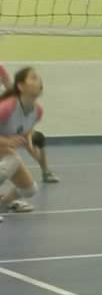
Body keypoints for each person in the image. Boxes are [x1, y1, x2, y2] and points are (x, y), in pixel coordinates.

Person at [0, 67, 52, 216]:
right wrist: (7, 142)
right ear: (21, 86)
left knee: (30, 189)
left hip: (4, 152)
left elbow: (26, 134)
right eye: (33, 77)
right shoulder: (8, 107)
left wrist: (34, 152)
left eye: (38, 78)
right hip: (5, 151)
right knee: (12, 160)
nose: (39, 80)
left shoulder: (37, 111)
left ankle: (3, 204)